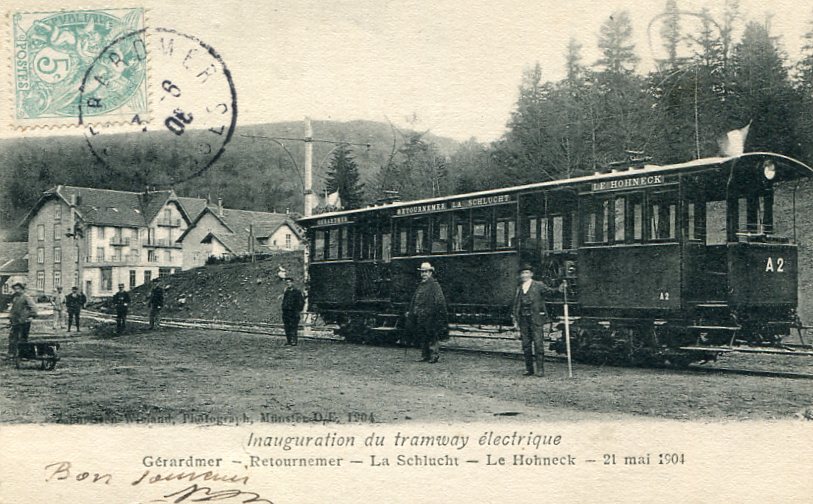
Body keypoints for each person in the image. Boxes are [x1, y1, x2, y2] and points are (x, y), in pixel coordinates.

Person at [512, 264, 561, 376]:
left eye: (526, 273)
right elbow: (516, 304)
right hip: (523, 319)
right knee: (526, 345)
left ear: (531, 274)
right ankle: (529, 369)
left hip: (535, 319)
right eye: (522, 273)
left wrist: (560, 289)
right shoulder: (519, 288)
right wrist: (515, 318)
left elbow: (550, 292)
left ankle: (540, 369)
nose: (524, 275)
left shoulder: (538, 285)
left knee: (538, 344)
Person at [407, 262, 448, 363]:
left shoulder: (434, 285)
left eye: (426, 272)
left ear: (430, 273)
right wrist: (413, 311)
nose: (424, 274)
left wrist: (436, 313)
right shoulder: (421, 285)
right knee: (423, 335)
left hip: (431, 315)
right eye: (422, 272)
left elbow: (439, 301)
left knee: (432, 335)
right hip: (421, 315)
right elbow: (415, 299)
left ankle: (434, 355)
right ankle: (425, 355)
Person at [8, 283, 37, 357]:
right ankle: (12, 353)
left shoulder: (26, 297)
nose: (16, 290)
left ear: (22, 289)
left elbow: (33, 307)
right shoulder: (15, 297)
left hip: (24, 321)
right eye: (15, 289)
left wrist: (31, 316)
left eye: (18, 289)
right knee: (13, 337)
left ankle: (23, 354)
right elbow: (13, 309)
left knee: (23, 338)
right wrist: (11, 318)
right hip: (15, 321)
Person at [281, 277, 305, 346]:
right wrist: (283, 308)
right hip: (286, 313)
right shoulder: (287, 292)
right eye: (287, 282)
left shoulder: (297, 292)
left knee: (293, 327)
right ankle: (289, 341)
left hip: (293, 313)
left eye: (289, 282)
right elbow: (284, 301)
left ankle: (294, 341)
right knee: (287, 327)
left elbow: (301, 302)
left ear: (292, 283)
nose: (288, 284)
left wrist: (297, 310)